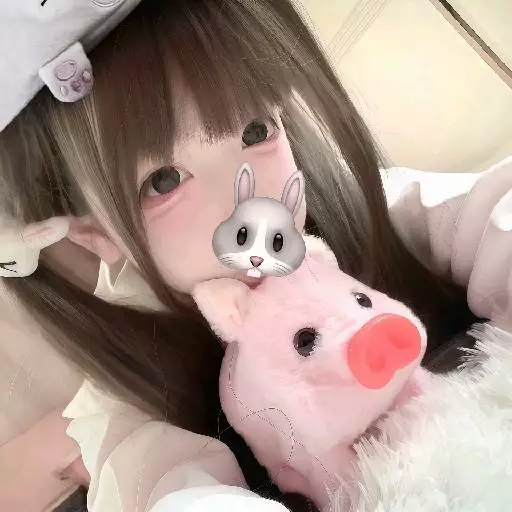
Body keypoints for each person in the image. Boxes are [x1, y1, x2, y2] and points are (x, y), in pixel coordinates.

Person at [1, 0, 511, 510]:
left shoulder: (363, 213)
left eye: (256, 131)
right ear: (96, 234)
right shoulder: (131, 400)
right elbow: (177, 494)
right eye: (164, 181)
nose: (252, 206)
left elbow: (489, 213)